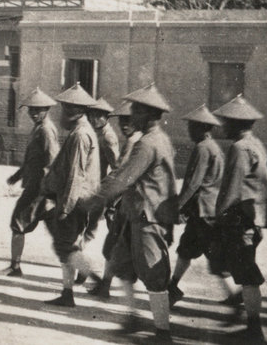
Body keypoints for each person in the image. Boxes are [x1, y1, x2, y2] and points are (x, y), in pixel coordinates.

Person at [86, 84, 178, 341]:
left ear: (149, 114)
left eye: (137, 110)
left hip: (147, 216)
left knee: (154, 274)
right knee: (122, 263)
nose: (132, 114)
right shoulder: (158, 140)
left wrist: (94, 200)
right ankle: (133, 317)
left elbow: (122, 179)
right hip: (133, 213)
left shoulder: (147, 144)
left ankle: (163, 332)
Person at [211, 94, 267, 343]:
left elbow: (231, 188)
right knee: (244, 271)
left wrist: (217, 218)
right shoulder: (255, 144)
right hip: (252, 219)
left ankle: (254, 329)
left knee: (247, 275)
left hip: (240, 221)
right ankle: (251, 323)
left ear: (236, 124)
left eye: (226, 121)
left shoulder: (239, 148)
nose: (222, 125)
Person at [41, 82, 101, 307]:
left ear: (75, 110)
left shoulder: (80, 135)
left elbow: (75, 175)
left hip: (74, 202)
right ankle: (68, 292)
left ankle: (91, 277)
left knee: (65, 246)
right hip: (75, 200)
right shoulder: (81, 132)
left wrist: (64, 208)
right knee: (65, 245)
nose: (62, 113)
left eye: (66, 108)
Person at [167, 104, 233, 306]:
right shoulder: (214, 148)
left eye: (192, 127)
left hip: (203, 210)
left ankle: (235, 292)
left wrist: (178, 205)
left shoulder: (202, 148)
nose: (189, 131)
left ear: (202, 128)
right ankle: (173, 287)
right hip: (207, 209)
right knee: (187, 249)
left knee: (212, 255)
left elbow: (193, 182)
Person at [5, 86, 60, 277]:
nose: (33, 113)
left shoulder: (46, 130)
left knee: (17, 224)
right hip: (37, 187)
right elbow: (32, 160)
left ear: (47, 110)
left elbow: (51, 161)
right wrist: (18, 176)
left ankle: (15, 267)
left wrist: (43, 189)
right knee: (59, 236)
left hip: (38, 189)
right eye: (31, 109)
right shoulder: (38, 128)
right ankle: (84, 272)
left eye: (38, 110)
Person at [88, 99, 140, 298]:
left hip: (124, 203)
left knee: (121, 249)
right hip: (121, 202)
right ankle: (105, 285)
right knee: (114, 246)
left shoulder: (134, 143)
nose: (125, 125)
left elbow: (119, 172)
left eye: (130, 121)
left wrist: (103, 193)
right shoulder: (132, 141)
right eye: (122, 121)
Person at [85, 97, 120, 249]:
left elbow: (116, 166)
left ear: (106, 118)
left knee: (93, 226)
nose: (93, 119)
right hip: (92, 185)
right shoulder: (97, 133)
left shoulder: (108, 137)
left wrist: (106, 188)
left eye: (98, 116)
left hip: (100, 188)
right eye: (91, 115)